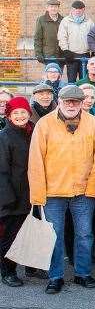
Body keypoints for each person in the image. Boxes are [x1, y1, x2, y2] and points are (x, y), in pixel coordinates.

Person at [28, 85, 95, 294]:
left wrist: (92, 189)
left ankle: (83, 273)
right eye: (67, 101)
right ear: (59, 101)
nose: (71, 105)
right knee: (55, 236)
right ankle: (55, 276)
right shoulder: (44, 124)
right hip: (53, 193)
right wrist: (37, 195)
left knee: (84, 235)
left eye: (75, 102)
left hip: (83, 192)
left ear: (81, 103)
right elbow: (35, 161)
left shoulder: (93, 123)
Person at [0, 97, 35, 287]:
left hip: (32, 194)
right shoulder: (4, 136)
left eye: (23, 112)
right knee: (11, 237)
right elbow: (2, 171)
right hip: (13, 197)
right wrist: (8, 199)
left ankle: (30, 267)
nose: (20, 116)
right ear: (9, 115)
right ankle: (7, 271)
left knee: (28, 234)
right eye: (16, 113)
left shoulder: (32, 132)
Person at [58, 0, 93, 83]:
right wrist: (65, 50)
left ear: (83, 9)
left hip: (85, 55)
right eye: (75, 9)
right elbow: (62, 37)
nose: (77, 11)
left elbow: (93, 38)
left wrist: (94, 51)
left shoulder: (89, 22)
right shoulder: (66, 21)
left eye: (80, 9)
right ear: (72, 9)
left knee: (84, 80)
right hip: (71, 55)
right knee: (71, 80)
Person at [34, 0, 63, 65]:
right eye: (51, 7)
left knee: (59, 74)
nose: (53, 9)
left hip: (61, 54)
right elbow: (38, 38)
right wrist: (38, 53)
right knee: (52, 74)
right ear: (47, 8)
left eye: (55, 7)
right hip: (49, 54)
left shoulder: (63, 20)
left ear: (58, 8)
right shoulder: (41, 20)